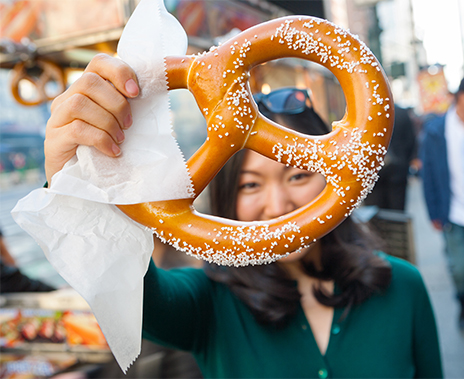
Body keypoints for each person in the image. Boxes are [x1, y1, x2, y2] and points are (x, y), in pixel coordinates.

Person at [45, 54, 443, 378]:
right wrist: (73, 179)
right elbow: (123, 289)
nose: (279, 205)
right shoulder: (206, 303)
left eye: (299, 174)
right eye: (251, 185)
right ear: (226, 200)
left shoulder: (402, 287)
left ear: (333, 176)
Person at [420, 73, 464, 331]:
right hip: (454, 212)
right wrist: (434, 212)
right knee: (460, 268)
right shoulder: (436, 130)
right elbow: (429, 174)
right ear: (463, 97)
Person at [363, 104, 417, 211]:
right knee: (397, 212)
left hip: (372, 172)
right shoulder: (402, 113)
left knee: (374, 213)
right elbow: (410, 141)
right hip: (398, 170)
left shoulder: (364, 113)